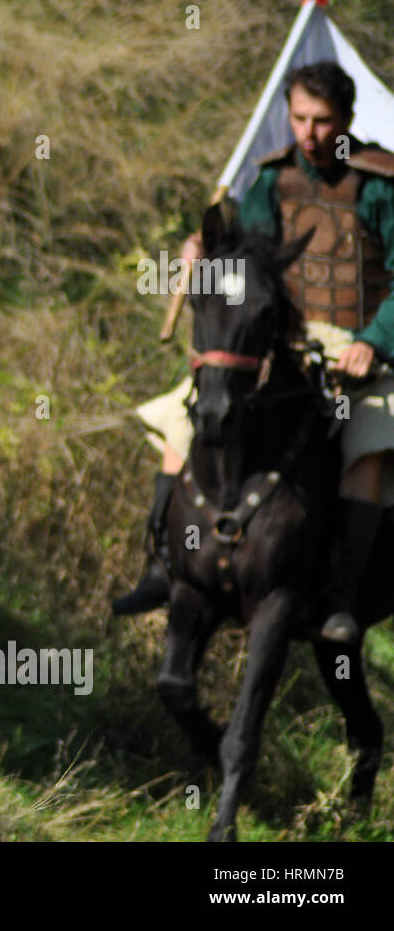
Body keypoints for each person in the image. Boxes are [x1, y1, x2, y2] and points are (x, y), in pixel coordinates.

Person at [114, 61, 394, 644]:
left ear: (346, 119)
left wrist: (374, 343)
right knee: (179, 418)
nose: (309, 132)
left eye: (322, 121)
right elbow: (242, 259)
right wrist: (204, 257)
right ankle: (164, 565)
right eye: (298, 119)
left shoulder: (380, 186)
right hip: (279, 345)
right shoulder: (271, 179)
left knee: (368, 442)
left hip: (361, 355)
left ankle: (339, 592)